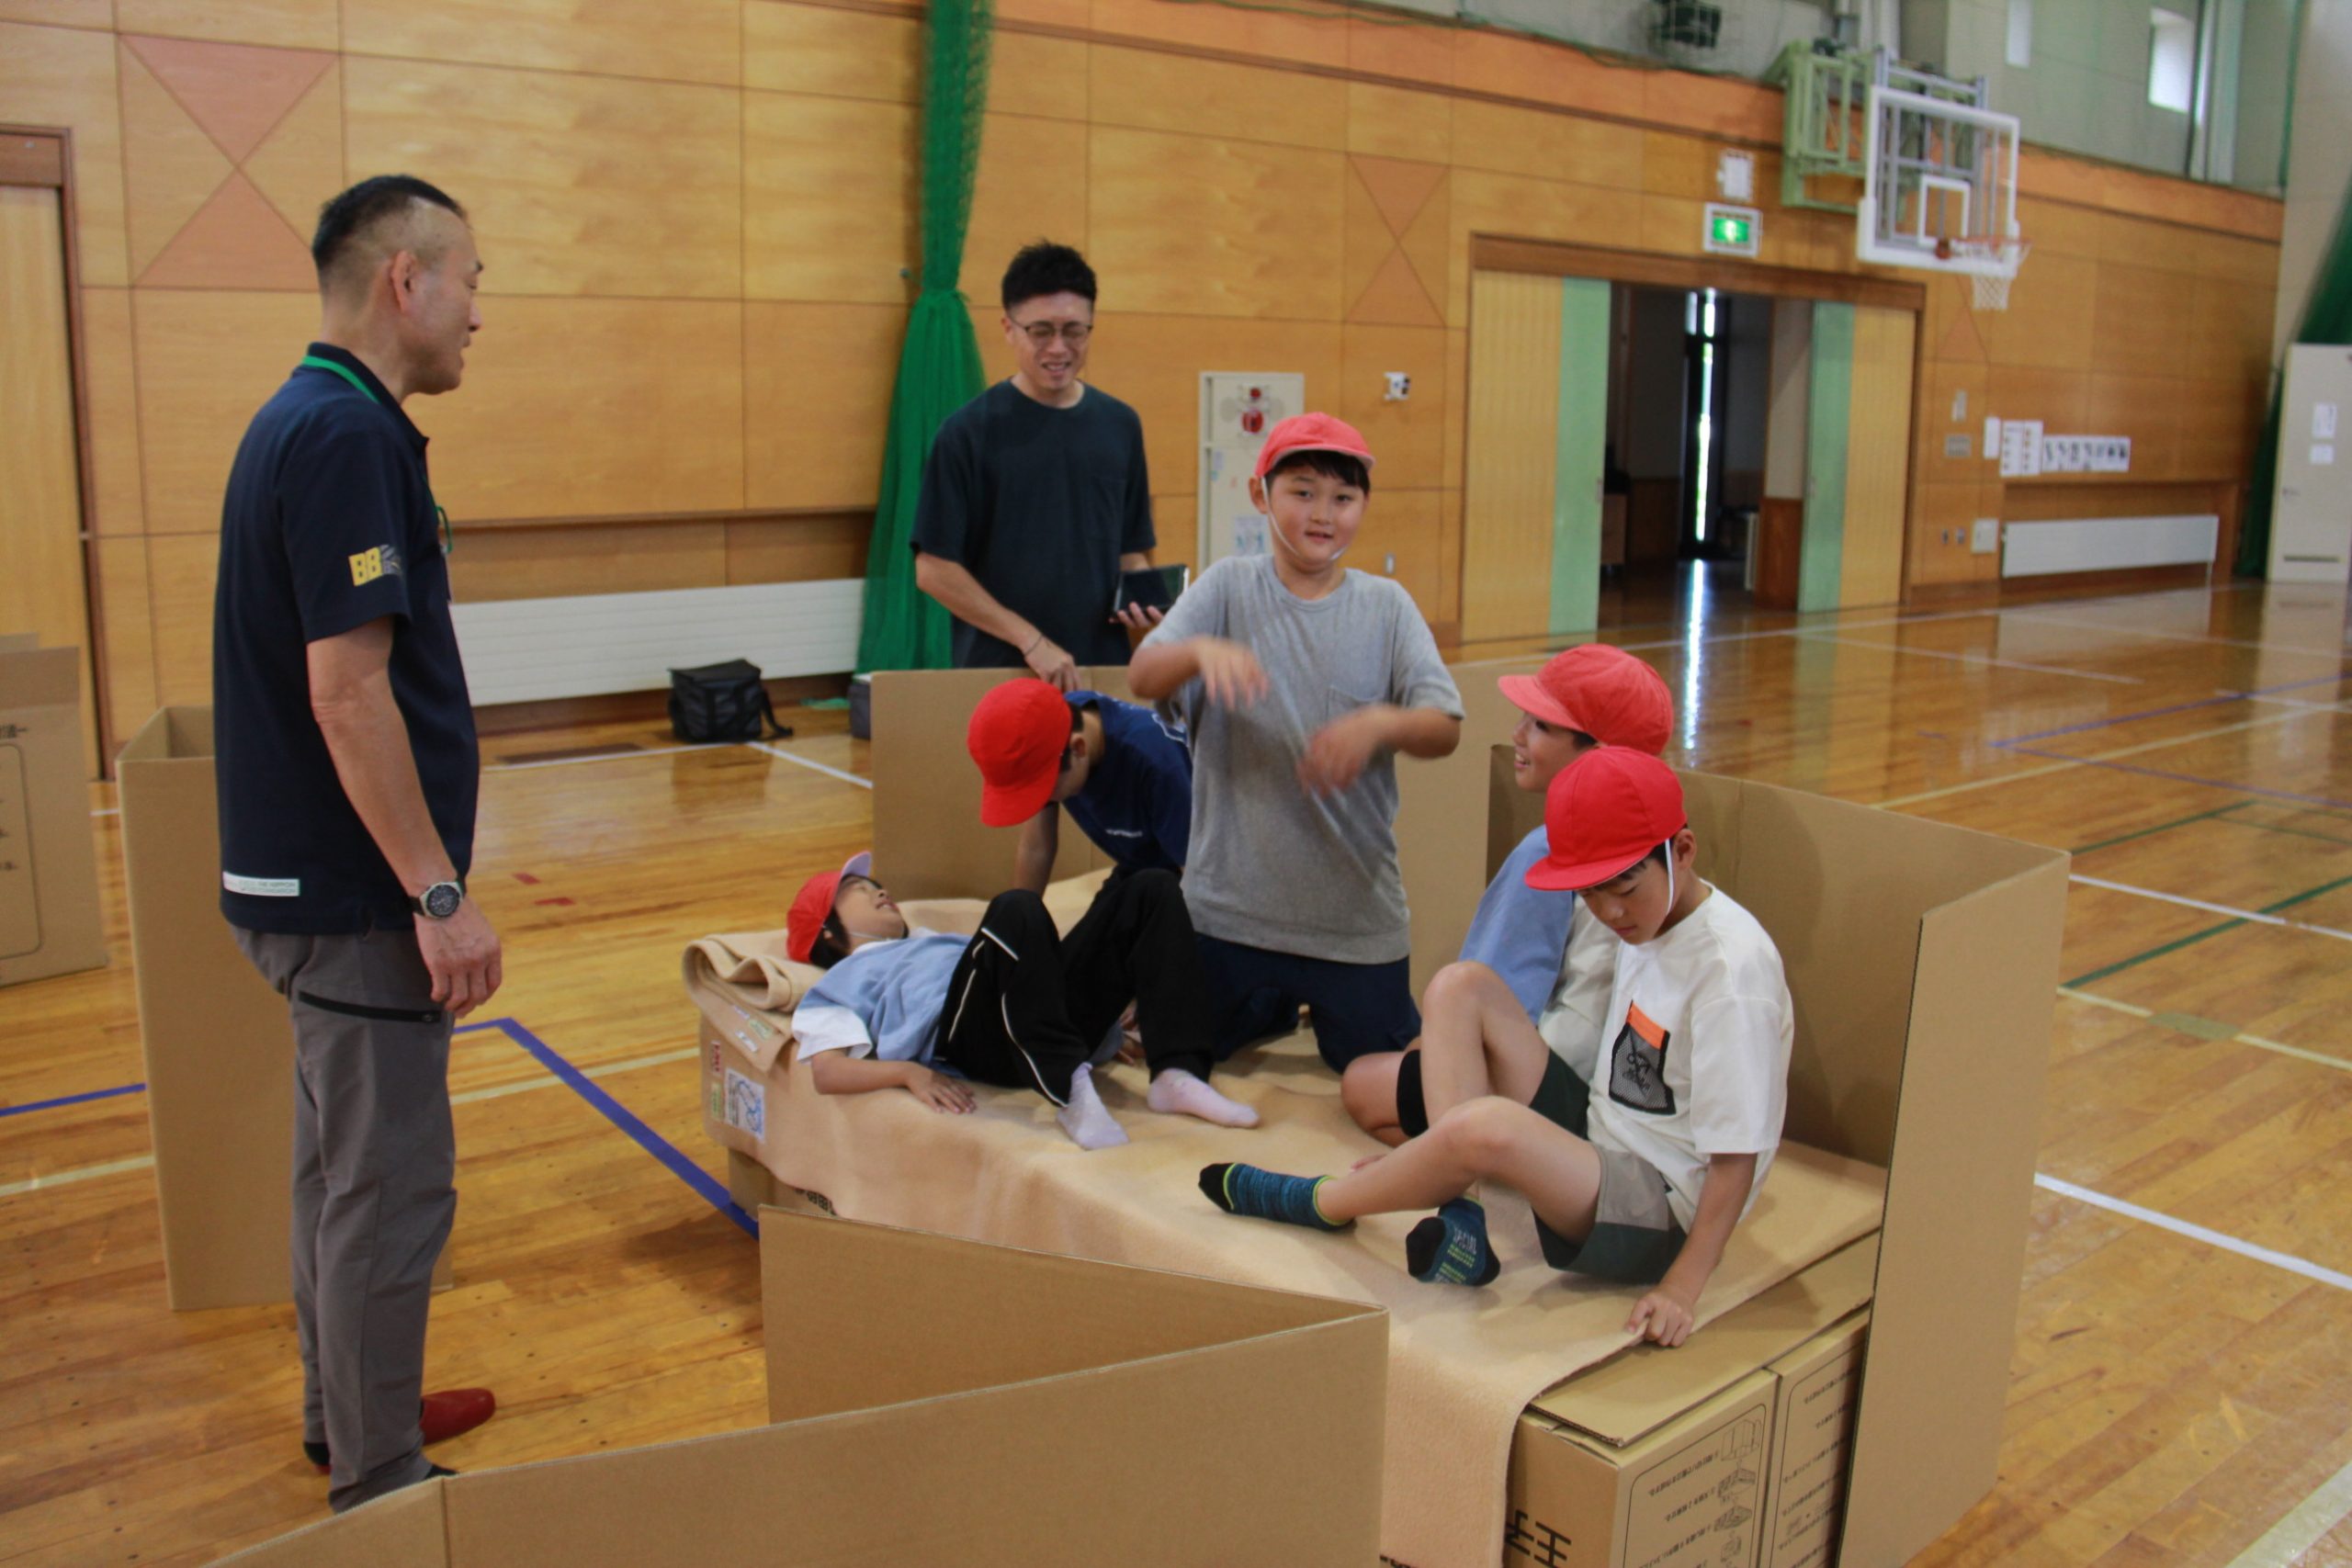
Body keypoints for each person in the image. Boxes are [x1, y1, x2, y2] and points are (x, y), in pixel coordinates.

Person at [212, 175, 499, 1510]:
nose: (477, 314)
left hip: (305, 889)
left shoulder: (309, 416)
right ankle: (382, 1487)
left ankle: (348, 1414)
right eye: (471, 282)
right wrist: (438, 894)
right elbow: (347, 693)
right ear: (405, 280)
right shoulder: (343, 436)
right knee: (388, 1194)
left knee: (336, 1172)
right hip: (354, 899)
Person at [1200, 749, 1792, 1350]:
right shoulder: (1646, 916)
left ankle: (1323, 1201)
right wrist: (1431, 1160)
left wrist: (1681, 1286)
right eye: (1590, 893)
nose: (1609, 910)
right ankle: (1461, 1209)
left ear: (1683, 851)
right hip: (1602, 1134)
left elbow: (1736, 1158)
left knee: (1486, 1125)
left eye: (1624, 887)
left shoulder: (1730, 975)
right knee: (1459, 986)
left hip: (1662, 1209)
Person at [1129, 414, 1463, 1072]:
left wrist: (1381, 723)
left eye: (1343, 497)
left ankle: (1292, 1002)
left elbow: (1444, 725)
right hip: (1226, 915)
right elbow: (1143, 674)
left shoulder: (1387, 605)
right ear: (1261, 494)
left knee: (1377, 1071)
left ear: (1364, 504)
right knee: (1176, 1055)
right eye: (1302, 492)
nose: (1323, 514)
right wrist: (1199, 651)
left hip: (1354, 921)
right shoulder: (1227, 586)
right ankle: (1272, 1004)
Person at [1340, 644, 1674, 1145]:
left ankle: (1485, 1166)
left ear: (1598, 753)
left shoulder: (1550, 849)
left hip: (1557, 1088)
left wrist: (1423, 1054)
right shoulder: (1661, 838)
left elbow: (1486, 1004)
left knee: (1361, 1081)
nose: (1517, 734)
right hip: (1623, 1090)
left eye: (1540, 726)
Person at [786, 853, 1258, 1148]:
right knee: (1016, 906)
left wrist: (1103, 1021)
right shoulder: (838, 982)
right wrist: (908, 1072)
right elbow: (828, 1072)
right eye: (861, 891)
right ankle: (1069, 1090)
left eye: (877, 885)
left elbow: (1031, 966)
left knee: (1150, 886)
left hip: (1029, 1014)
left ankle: (1177, 1071)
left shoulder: (934, 939)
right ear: (827, 932)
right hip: (973, 1040)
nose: (881, 892)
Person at [912, 243, 1161, 688]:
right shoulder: (966, 434)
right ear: (1009, 329)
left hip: (1099, 669)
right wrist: (1030, 641)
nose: (1058, 348)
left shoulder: (1121, 424)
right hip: (1001, 672)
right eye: (1040, 331)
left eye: (1074, 331)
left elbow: (1131, 550)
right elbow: (934, 569)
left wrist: (1149, 599)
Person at [966, 677, 1192, 893]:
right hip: (1136, 869)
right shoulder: (1052, 727)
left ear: (1078, 748)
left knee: (1156, 886)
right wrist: (1021, 913)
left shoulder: (1158, 767)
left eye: (1043, 790)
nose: (1041, 801)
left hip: (1188, 873)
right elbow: (1036, 848)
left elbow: (1196, 875)